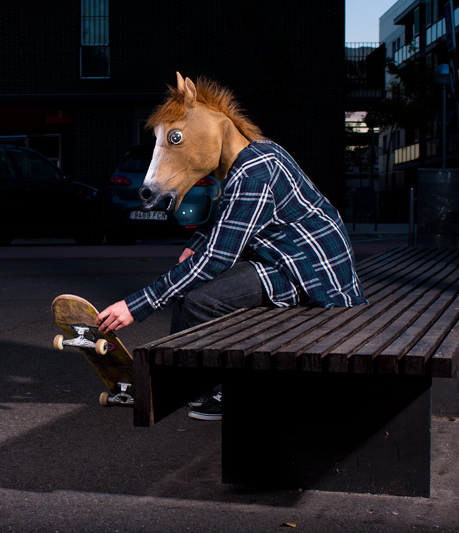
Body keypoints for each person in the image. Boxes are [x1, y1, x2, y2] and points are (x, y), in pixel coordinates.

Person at [96, 138, 367, 421]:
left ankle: (223, 391)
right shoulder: (249, 153)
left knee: (202, 299)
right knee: (187, 284)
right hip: (285, 254)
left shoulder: (253, 173)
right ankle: (177, 378)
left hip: (311, 272)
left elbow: (217, 259)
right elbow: (231, 213)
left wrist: (134, 306)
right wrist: (199, 240)